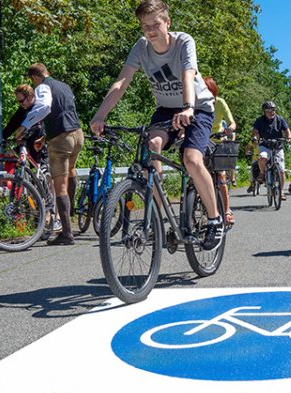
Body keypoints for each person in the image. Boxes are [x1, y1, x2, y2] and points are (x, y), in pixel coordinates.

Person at [89, 0, 223, 251]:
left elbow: (187, 75)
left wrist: (187, 107)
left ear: (167, 23)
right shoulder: (141, 48)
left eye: (156, 25)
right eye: (145, 26)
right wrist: (100, 116)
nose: (150, 31)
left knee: (192, 160)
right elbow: (121, 83)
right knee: (151, 147)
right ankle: (160, 219)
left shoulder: (184, 41)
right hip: (166, 109)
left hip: (197, 107)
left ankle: (215, 221)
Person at [15, 63, 84, 246]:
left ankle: (66, 233)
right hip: (78, 134)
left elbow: (44, 107)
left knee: (59, 186)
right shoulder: (64, 86)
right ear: (47, 72)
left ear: (33, 78)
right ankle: (69, 213)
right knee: (71, 171)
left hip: (61, 139)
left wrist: (24, 126)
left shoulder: (42, 87)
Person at [2, 84, 58, 240]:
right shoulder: (22, 111)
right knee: (26, 181)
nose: (20, 105)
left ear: (30, 97)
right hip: (26, 150)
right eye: (18, 102)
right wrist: (3, 143)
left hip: (41, 150)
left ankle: (49, 213)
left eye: (21, 101)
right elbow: (10, 127)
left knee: (42, 180)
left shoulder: (40, 108)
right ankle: (31, 215)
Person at [205, 77, 237, 225]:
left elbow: (232, 122)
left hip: (217, 141)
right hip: (202, 141)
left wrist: (230, 128)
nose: (207, 94)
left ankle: (226, 211)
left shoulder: (220, 102)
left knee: (221, 176)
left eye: (210, 91)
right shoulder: (197, 102)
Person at [252, 101, 291, 201]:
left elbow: (287, 129)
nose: (271, 112)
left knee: (282, 170)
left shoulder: (280, 119)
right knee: (262, 158)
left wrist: (289, 138)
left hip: (278, 146)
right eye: (269, 110)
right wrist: (254, 138)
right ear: (264, 111)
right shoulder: (259, 120)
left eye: (273, 110)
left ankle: (282, 191)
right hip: (265, 145)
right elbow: (255, 131)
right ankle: (262, 173)